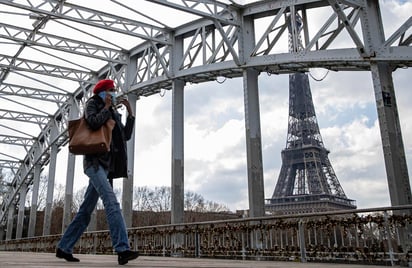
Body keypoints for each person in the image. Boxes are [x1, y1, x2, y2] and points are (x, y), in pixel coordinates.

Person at [56, 79, 139, 265]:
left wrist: (130, 113)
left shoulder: (113, 111)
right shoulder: (92, 103)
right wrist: (106, 108)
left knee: (85, 210)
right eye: (112, 90)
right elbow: (92, 123)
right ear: (102, 91)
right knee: (111, 202)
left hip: (107, 166)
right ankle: (122, 249)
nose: (114, 93)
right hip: (94, 163)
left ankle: (64, 247)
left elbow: (125, 136)